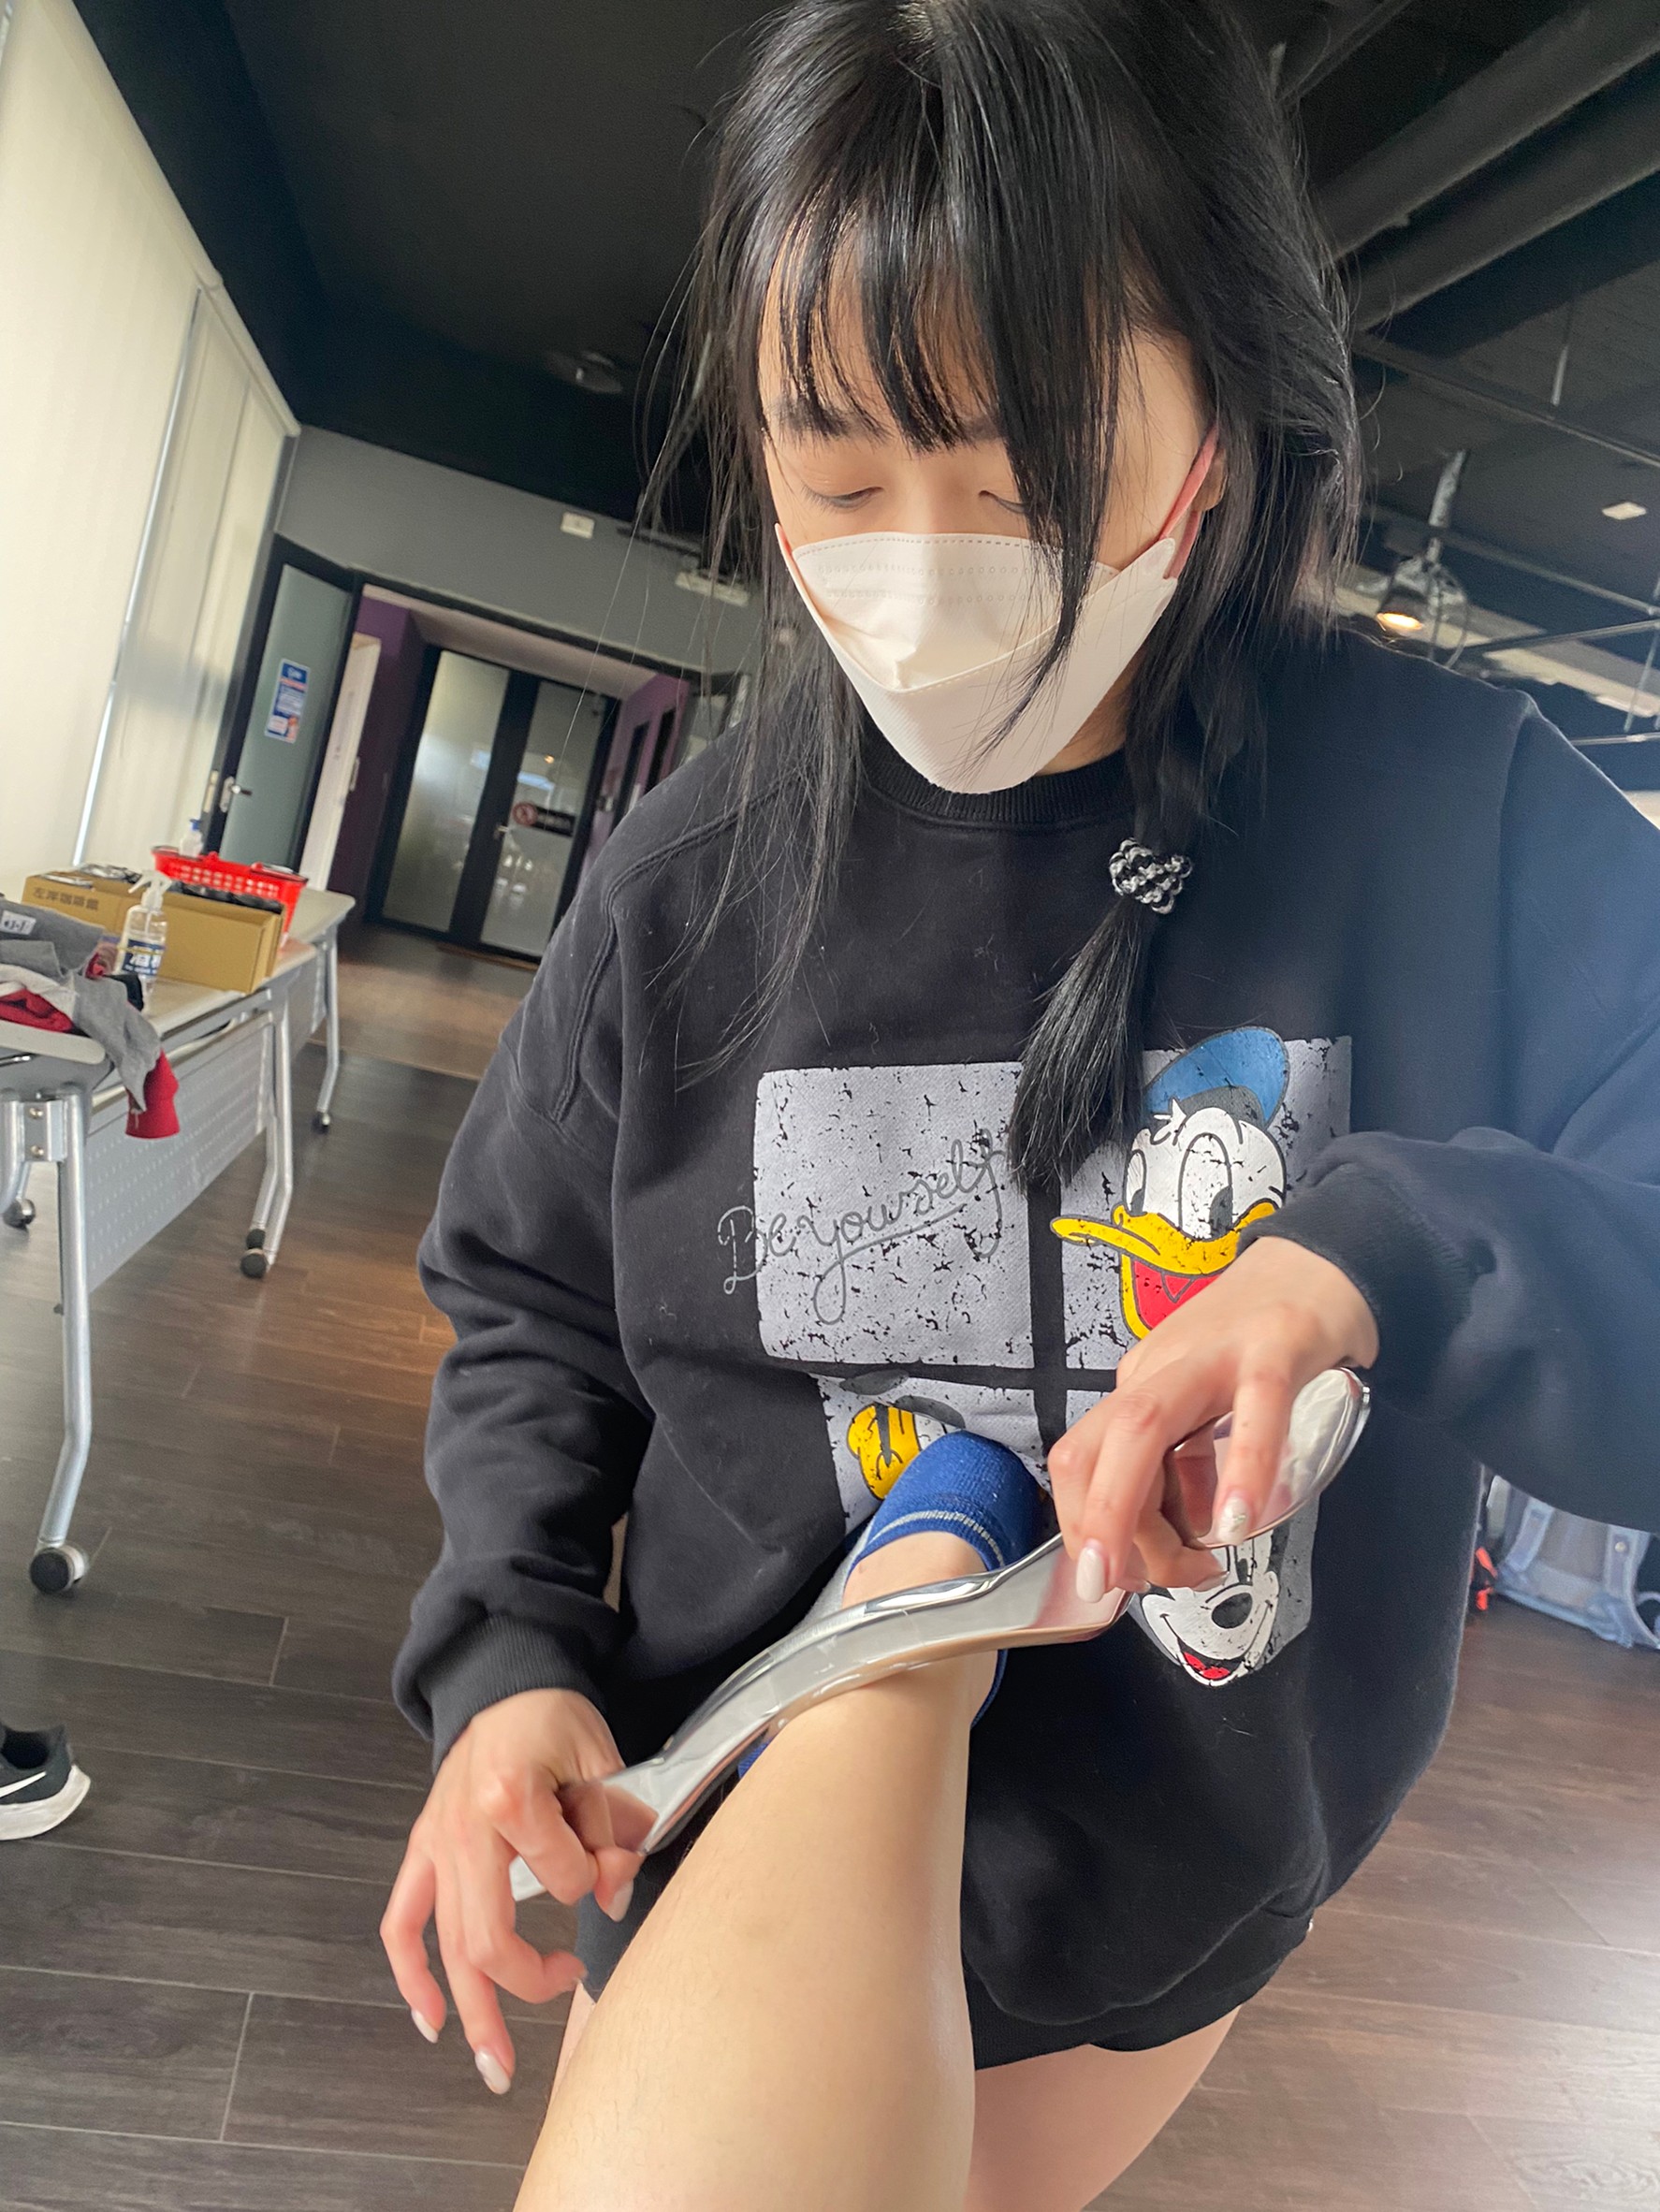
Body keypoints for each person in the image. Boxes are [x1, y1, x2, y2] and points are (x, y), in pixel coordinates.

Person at [381, 1, 1660, 2205]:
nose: (922, 561)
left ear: (1220, 421)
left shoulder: (1466, 826)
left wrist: (1377, 1255)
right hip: (715, 1782)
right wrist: (507, 1656)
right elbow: (533, 1307)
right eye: (837, 479)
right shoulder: (692, 879)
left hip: (1162, 1847)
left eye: (1019, 473)